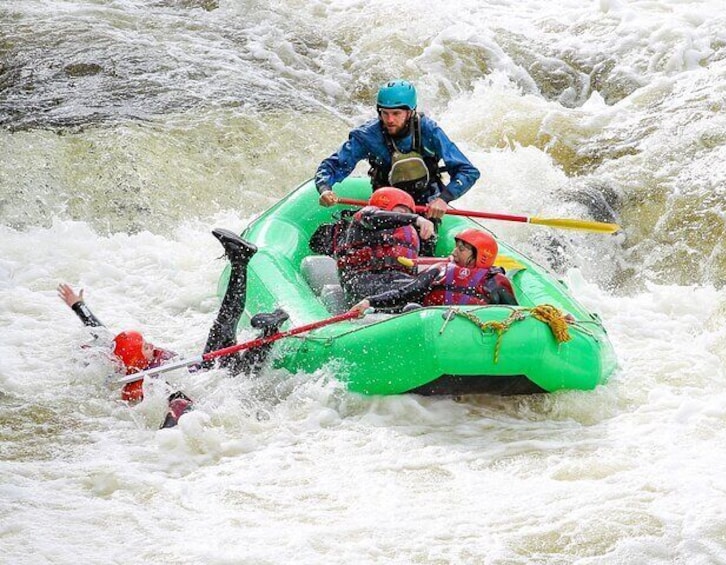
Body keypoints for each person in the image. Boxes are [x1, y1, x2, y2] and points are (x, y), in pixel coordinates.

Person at [58, 228, 289, 429]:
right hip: (216, 384)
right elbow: (178, 403)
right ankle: (268, 329)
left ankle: (242, 266)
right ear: (138, 359)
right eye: (144, 347)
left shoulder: (129, 361)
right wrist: (168, 430)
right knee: (239, 369)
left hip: (208, 369)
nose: (150, 345)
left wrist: (79, 307)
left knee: (224, 327)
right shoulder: (150, 381)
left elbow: (102, 334)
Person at [314, 79, 480, 222]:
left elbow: (467, 171)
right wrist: (325, 189)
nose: (390, 120)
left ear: (410, 112)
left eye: (396, 113)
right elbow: (331, 166)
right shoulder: (368, 135)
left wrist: (444, 199)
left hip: (424, 204)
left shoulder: (429, 131)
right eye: (384, 113)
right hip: (386, 202)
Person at [311, 187, 435, 306]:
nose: (405, 218)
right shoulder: (366, 217)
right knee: (411, 292)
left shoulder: (407, 234)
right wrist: (417, 218)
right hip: (362, 281)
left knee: (429, 288)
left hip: (395, 280)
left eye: (408, 213)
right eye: (401, 212)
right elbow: (375, 218)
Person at [351, 228, 518, 313]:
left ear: (480, 255)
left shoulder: (495, 281)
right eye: (456, 247)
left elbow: (518, 315)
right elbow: (405, 293)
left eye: (461, 249)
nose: (454, 252)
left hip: (473, 332)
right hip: (434, 326)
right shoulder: (440, 270)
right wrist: (369, 301)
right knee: (411, 308)